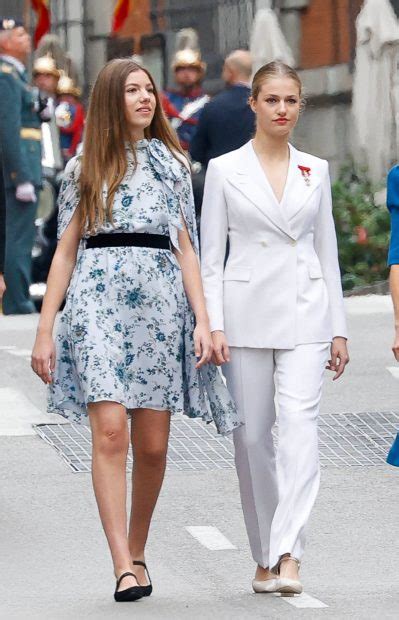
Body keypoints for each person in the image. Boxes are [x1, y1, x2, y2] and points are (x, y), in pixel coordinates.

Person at [31, 59, 239, 602]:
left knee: (151, 446)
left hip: (160, 309)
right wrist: (45, 329)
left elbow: (187, 247)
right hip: (96, 307)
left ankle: (139, 548)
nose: (146, 98)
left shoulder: (174, 165)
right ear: (110, 100)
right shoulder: (84, 168)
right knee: (110, 434)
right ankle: (121, 563)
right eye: (132, 90)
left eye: (149, 89)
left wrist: (202, 320)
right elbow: (65, 252)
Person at [200, 61, 349, 595]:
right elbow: (211, 257)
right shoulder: (224, 170)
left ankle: (289, 553)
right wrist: (212, 324)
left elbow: (326, 251)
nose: (282, 110)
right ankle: (264, 552)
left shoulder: (317, 169)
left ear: (299, 105)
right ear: (254, 104)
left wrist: (339, 328)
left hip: (306, 313)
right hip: (243, 317)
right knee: (253, 440)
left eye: (291, 100)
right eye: (272, 100)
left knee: (300, 432)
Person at [0, 18, 42, 314]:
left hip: (28, 167)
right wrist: (20, 175)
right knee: (18, 237)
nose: (26, 38)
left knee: (20, 235)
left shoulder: (17, 76)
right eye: (19, 34)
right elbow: (8, 130)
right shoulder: (5, 76)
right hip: (21, 171)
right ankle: (18, 299)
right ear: (4, 42)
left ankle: (18, 296)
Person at [190, 50, 255, 167]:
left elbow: (196, 151)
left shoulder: (213, 105)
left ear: (230, 71)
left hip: (218, 176)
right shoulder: (261, 105)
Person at [162, 49, 209, 152]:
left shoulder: (208, 103)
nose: (186, 73)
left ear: (199, 73)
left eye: (191, 69)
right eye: (181, 69)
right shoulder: (166, 99)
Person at [55, 73, 85, 165]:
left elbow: (70, 127)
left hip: (72, 148)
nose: (65, 99)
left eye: (68, 96)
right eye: (62, 96)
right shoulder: (56, 107)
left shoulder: (76, 109)